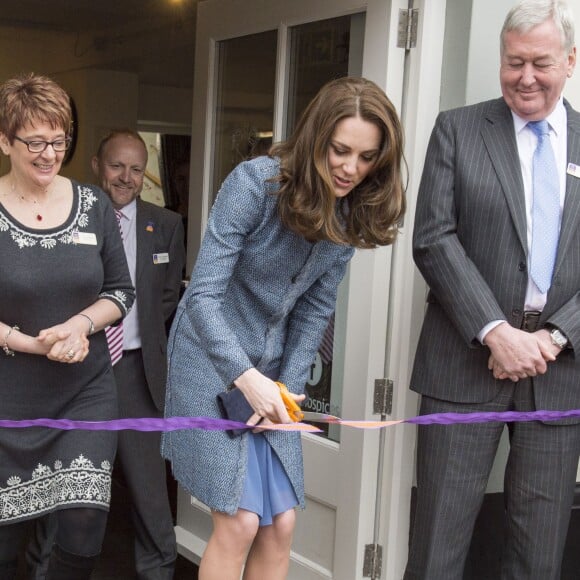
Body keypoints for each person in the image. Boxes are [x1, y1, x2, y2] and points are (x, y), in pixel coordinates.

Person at [161, 76, 405, 580]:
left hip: (272, 374)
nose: (350, 168)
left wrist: (287, 392)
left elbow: (314, 313)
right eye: (340, 150)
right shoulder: (255, 184)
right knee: (240, 522)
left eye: (366, 158)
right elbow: (202, 295)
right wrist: (244, 379)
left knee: (282, 523)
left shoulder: (349, 211)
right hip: (209, 359)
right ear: (316, 136)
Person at [404, 1, 580, 578]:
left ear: (570, 62)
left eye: (540, 62)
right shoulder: (457, 129)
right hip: (462, 366)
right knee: (436, 549)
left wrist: (552, 338)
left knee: (538, 558)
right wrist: (495, 331)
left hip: (559, 376)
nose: (525, 76)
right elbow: (432, 237)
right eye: (513, 62)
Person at [0, 73, 134, 578]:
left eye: (59, 141)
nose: (49, 154)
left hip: (86, 391)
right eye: (35, 142)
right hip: (9, 396)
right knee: (6, 540)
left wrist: (81, 326)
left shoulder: (95, 206)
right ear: (4, 141)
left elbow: (121, 292)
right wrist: (30, 344)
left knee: (82, 523)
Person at [91, 129, 185, 578]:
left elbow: (167, 298)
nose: (126, 177)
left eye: (135, 168)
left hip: (137, 374)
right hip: (82, 374)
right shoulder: (75, 218)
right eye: (116, 166)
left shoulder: (165, 224)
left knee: (150, 496)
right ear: (97, 166)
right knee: (72, 492)